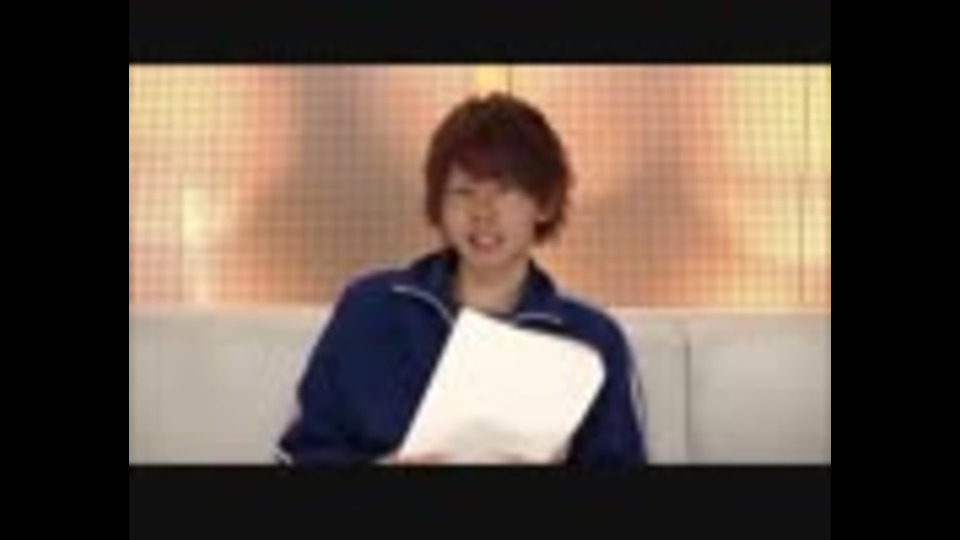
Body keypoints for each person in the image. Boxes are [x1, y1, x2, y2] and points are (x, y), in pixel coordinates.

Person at [276, 91, 646, 465]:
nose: (482, 212)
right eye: (463, 191)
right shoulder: (370, 309)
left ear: (545, 203)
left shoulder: (592, 339)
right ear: (438, 203)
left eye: (504, 191)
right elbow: (297, 454)